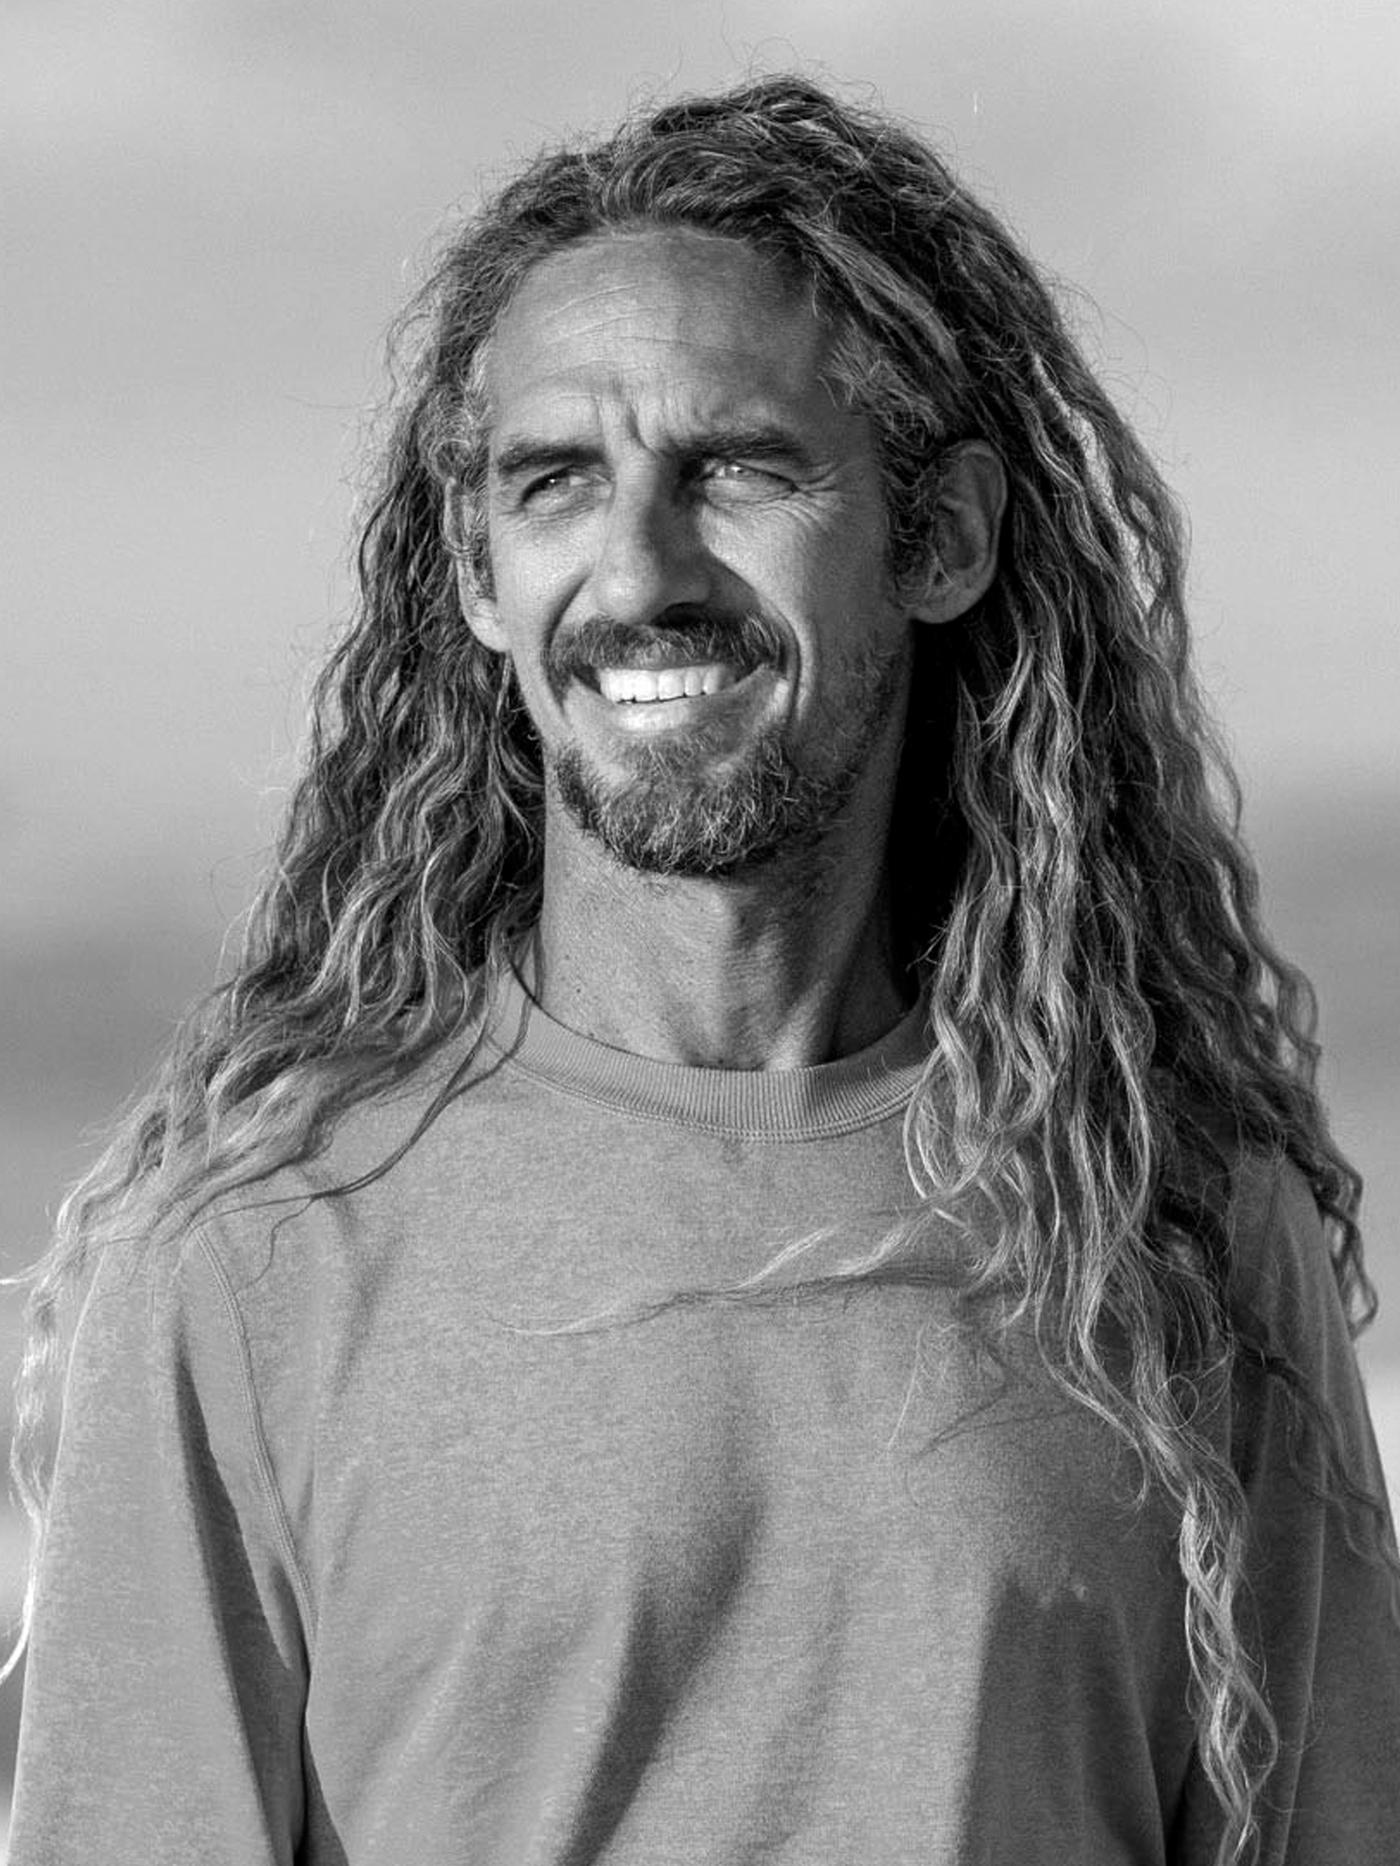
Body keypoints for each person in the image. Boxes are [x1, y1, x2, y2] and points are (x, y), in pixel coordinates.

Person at [7, 76, 1398, 1866]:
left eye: (737, 469)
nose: (640, 571)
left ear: (941, 536)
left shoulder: (1175, 1230)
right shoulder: (251, 1260)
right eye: (556, 483)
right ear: (480, 577)